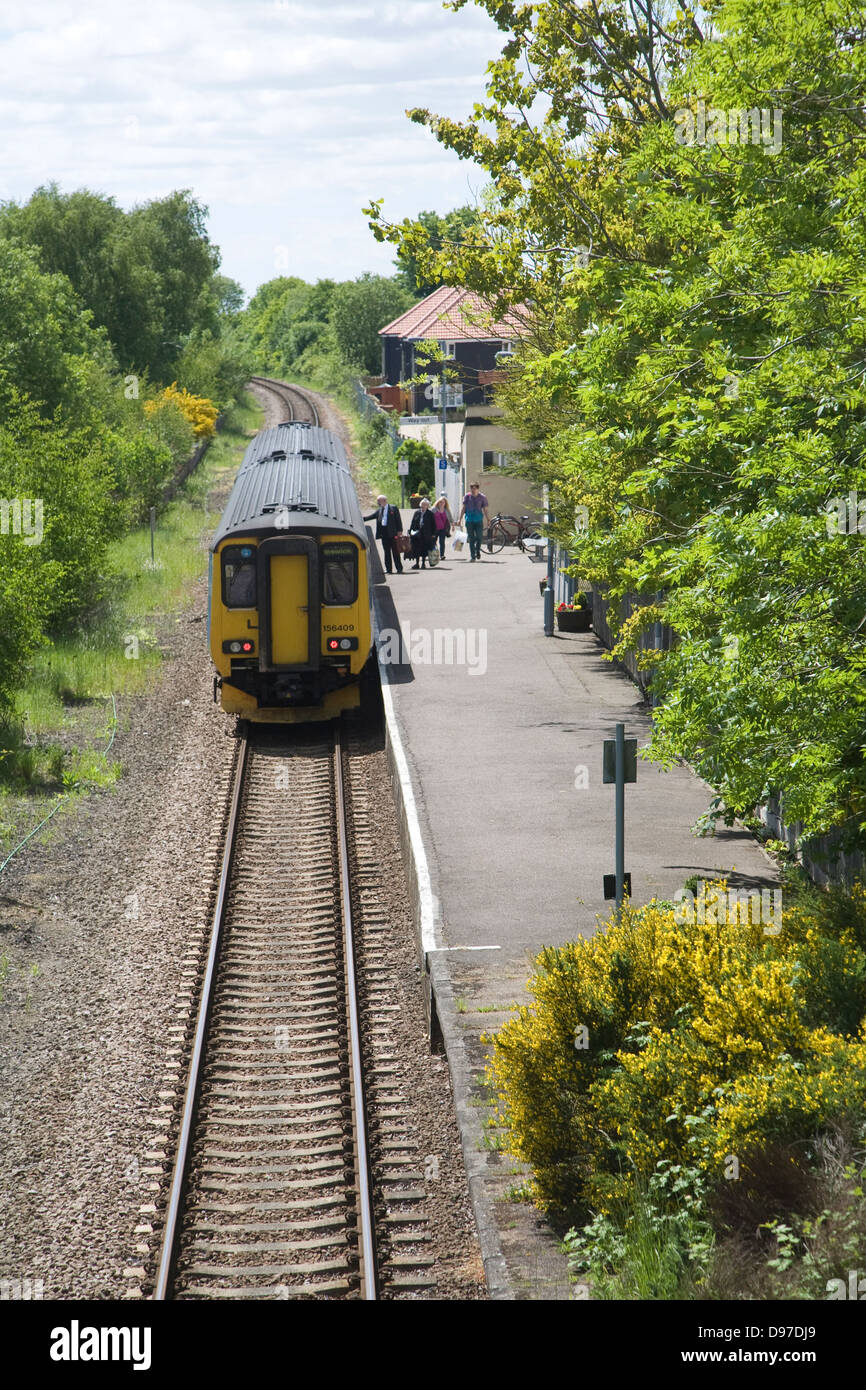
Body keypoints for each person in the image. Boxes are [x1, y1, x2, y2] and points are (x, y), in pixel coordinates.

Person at [363, 494, 404, 574]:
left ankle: (399, 568)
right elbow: (371, 516)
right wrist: (362, 519)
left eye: (379, 501)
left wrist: (400, 531)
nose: (378, 502)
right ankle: (389, 569)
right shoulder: (379, 510)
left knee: (395, 551)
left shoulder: (393, 508)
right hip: (384, 534)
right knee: (387, 552)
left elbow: (398, 520)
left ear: (384, 501)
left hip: (393, 533)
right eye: (378, 501)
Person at [457, 482, 490, 562]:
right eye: (472, 488)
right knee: (471, 539)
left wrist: (488, 519)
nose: (473, 490)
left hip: (478, 520)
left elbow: (485, 510)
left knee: (479, 537)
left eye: (475, 488)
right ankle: (473, 556)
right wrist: (460, 519)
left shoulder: (482, 497)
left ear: (478, 489)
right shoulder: (467, 497)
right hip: (469, 520)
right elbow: (463, 508)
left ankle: (477, 550)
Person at [409, 497, 436, 569]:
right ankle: (417, 563)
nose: (423, 506)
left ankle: (423, 563)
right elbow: (413, 522)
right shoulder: (417, 512)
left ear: (427, 506)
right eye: (422, 504)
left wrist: (433, 534)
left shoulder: (430, 514)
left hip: (426, 535)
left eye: (425, 505)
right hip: (417, 534)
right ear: (420, 505)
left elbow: (433, 525)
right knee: (416, 549)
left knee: (424, 549)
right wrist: (410, 531)